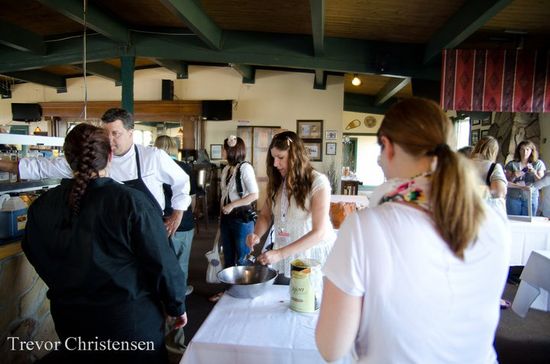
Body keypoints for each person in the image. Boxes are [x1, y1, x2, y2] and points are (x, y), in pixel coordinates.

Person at [315, 98, 510, 363]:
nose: (381, 163)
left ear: (388, 146)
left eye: (380, 152)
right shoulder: (495, 221)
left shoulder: (366, 227)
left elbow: (331, 347)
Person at [23, 124, 187, 363]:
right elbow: (161, 261)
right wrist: (176, 305)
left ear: (68, 159)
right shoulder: (131, 202)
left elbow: (34, 251)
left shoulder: (42, 206)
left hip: (71, 321)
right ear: (110, 155)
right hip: (129, 324)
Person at [0, 108, 191, 236]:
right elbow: (42, 167)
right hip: (111, 232)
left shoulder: (152, 156)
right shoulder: (92, 157)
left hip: (149, 229)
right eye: (105, 134)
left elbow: (181, 180)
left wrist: (177, 214)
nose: (109, 140)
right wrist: (4, 164)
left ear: (131, 133)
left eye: (115, 133)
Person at [247, 131, 335, 284]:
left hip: (309, 255)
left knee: (305, 301)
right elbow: (266, 216)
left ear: (296, 156)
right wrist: (256, 234)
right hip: (285, 252)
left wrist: (280, 254)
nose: (275, 164)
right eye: (273, 158)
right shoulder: (277, 182)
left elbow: (319, 232)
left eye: (280, 157)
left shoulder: (318, 182)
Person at [154, 135, 196, 352]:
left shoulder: (153, 169)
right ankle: (175, 340)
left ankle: (162, 336)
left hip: (160, 226)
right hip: (185, 224)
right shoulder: (185, 168)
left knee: (161, 277)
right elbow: (192, 198)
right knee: (180, 274)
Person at [219, 135, 259, 267]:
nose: (222, 151)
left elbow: (254, 195)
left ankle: (245, 287)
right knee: (228, 256)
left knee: (242, 257)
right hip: (226, 218)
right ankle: (230, 287)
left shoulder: (245, 168)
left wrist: (232, 205)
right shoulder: (226, 169)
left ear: (232, 150)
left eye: (224, 148)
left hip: (242, 218)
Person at [504, 140, 545, 216]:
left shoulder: (538, 164)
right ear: (519, 151)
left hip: (531, 197)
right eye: (522, 149)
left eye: (527, 149)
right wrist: (514, 175)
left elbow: (541, 183)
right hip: (513, 197)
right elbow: (505, 182)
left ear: (532, 151)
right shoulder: (511, 164)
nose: (524, 152)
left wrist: (534, 173)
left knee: (529, 223)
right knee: (514, 221)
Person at [471, 135, 507, 213]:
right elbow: (499, 193)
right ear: (494, 151)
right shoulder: (494, 167)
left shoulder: (462, 164)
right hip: (484, 211)